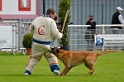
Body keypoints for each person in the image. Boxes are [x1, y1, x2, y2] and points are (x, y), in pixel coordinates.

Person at [24, 8, 63, 75]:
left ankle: (28, 71)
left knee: (34, 58)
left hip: (36, 43)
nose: (54, 17)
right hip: (46, 44)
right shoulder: (51, 21)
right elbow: (54, 33)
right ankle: (55, 69)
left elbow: (31, 29)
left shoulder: (37, 19)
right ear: (51, 14)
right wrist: (60, 35)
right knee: (51, 57)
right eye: (54, 15)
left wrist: (35, 35)